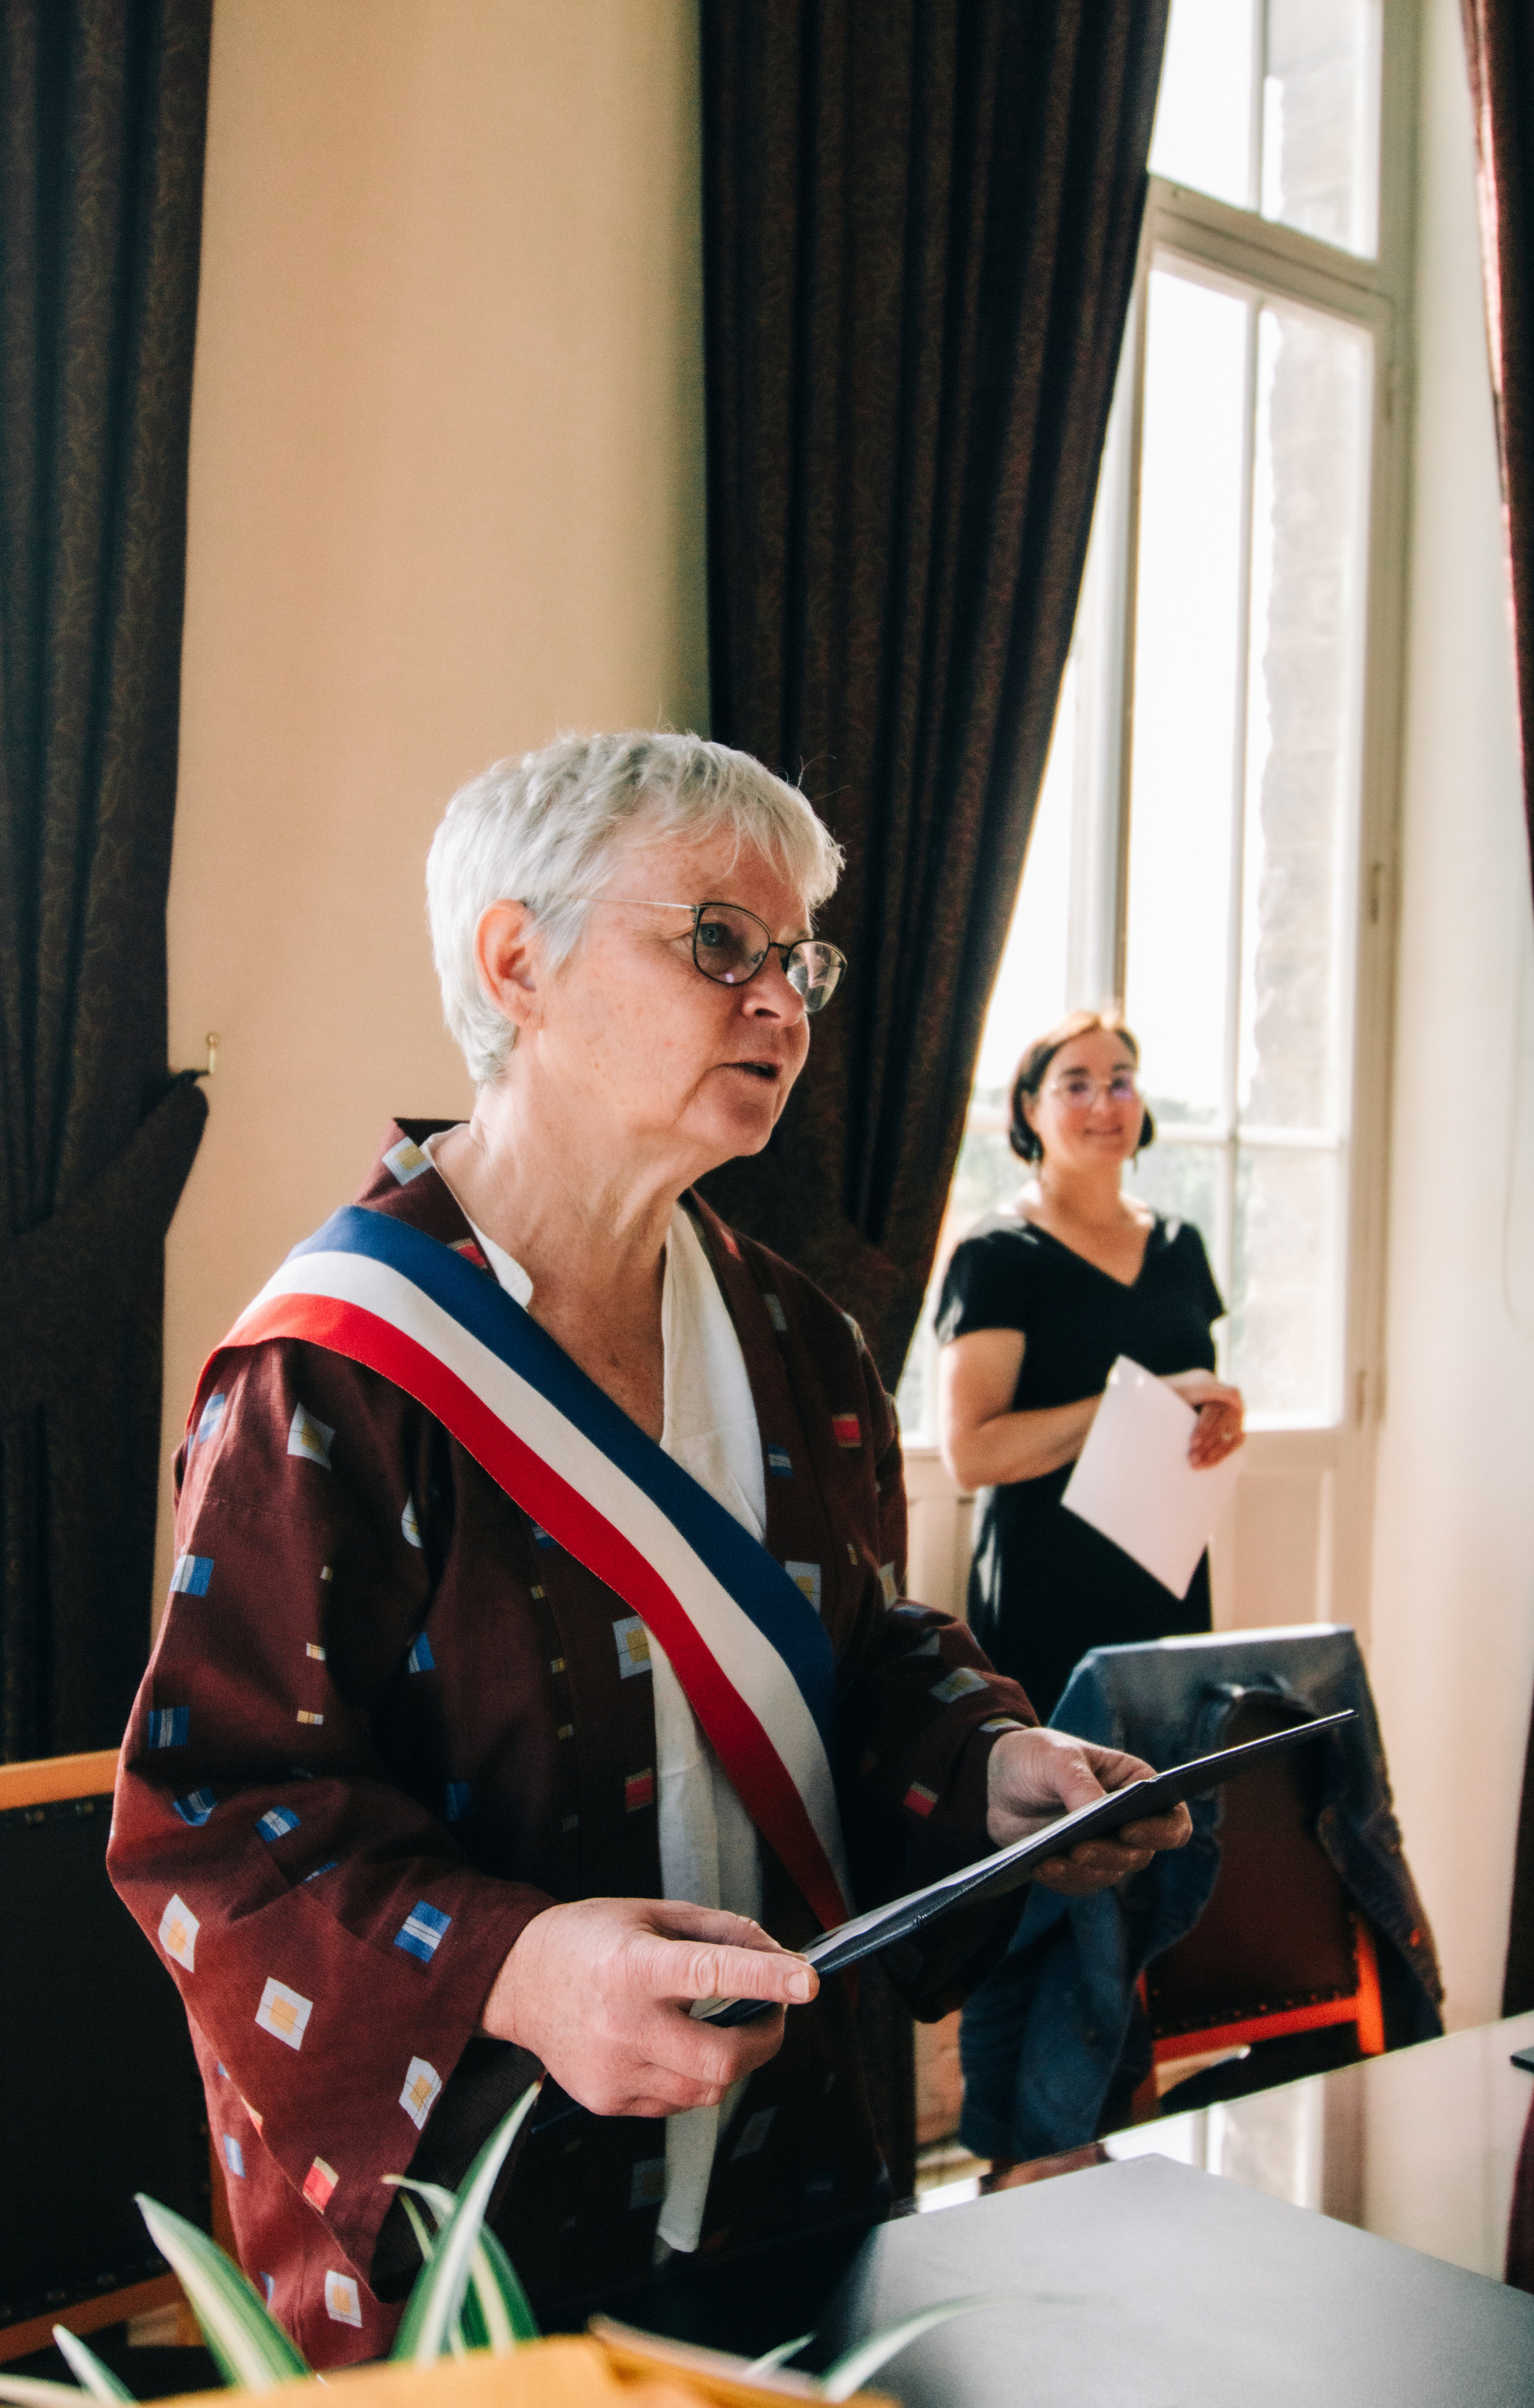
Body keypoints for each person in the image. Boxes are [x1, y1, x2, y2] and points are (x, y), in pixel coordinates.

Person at [108, 736, 1190, 2365]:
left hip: (800, 2180)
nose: (784, 1005)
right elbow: (218, 1820)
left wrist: (990, 1767)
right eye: (719, 945)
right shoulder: (328, 1373)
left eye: (797, 961)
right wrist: (519, 1968)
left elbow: (856, 1649)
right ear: (516, 960)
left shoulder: (798, 1339)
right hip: (482, 2242)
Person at [935, 1010, 1244, 1725]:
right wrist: (1144, 1398)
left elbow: (1193, 1405)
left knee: (1167, 1810)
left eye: (1121, 1082)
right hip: (1045, 1585)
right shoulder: (997, 1254)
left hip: (1166, 1575)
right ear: (1028, 1109)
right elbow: (971, 1454)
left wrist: (1216, 1419)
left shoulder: (1180, 1247)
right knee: (1058, 1817)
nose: (1104, 1103)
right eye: (1076, 1085)